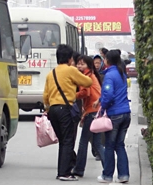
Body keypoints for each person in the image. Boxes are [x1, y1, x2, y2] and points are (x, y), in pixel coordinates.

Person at [43, 44, 93, 181]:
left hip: (52, 110)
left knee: (63, 141)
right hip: (65, 109)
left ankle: (64, 169)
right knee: (68, 141)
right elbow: (88, 82)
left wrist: (48, 108)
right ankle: (64, 173)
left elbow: (45, 96)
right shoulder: (71, 70)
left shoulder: (50, 73)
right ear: (70, 58)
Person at [97, 50, 131, 183]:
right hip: (125, 113)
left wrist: (103, 107)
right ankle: (123, 175)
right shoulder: (121, 73)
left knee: (110, 146)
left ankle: (107, 176)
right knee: (120, 145)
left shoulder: (110, 75)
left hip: (115, 114)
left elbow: (109, 94)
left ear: (107, 61)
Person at [71, 55, 105, 178]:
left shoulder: (86, 76)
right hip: (97, 111)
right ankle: (108, 167)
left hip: (92, 111)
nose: (79, 66)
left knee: (83, 141)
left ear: (88, 66)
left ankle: (79, 169)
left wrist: (72, 95)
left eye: (82, 64)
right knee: (96, 143)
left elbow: (86, 92)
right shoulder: (91, 74)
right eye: (78, 63)